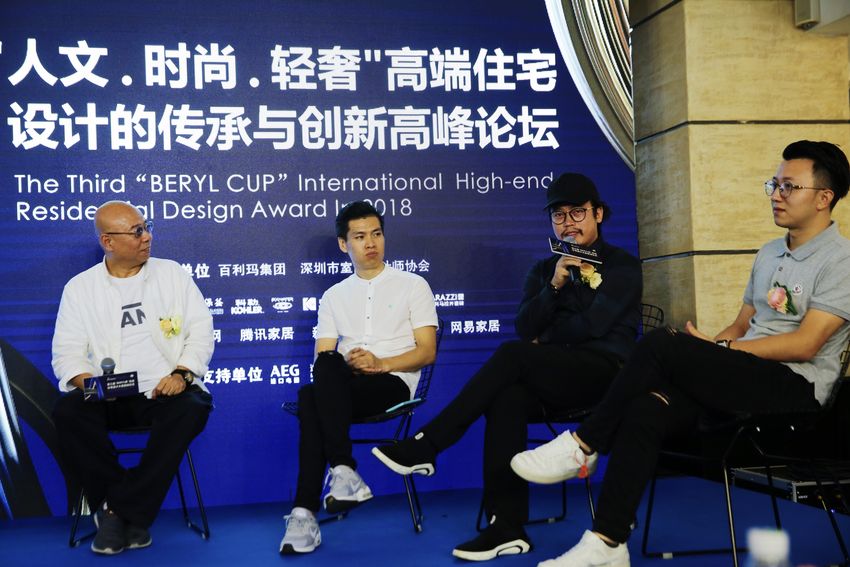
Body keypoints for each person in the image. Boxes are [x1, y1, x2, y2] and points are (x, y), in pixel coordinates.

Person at [510, 140, 850, 567]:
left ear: (823, 197)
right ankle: (607, 543)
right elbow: (741, 325)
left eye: (789, 187)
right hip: (749, 377)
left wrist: (721, 350)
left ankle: (583, 443)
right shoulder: (769, 253)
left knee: (663, 342)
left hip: (797, 391)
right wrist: (715, 350)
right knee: (646, 408)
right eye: (774, 184)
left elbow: (807, 344)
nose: (776, 195)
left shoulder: (841, 260)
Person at [372, 173, 643, 561]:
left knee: (513, 355)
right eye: (559, 216)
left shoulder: (624, 266)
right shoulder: (544, 271)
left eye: (577, 213)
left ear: (598, 213)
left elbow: (595, 326)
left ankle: (429, 444)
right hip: (556, 377)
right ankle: (507, 526)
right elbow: (525, 327)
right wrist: (554, 287)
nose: (568, 223)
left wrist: (546, 338)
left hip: (607, 377)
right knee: (508, 397)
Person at [52, 200, 214, 555]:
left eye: (146, 227)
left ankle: (115, 512)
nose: (147, 237)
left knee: (193, 407)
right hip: (107, 393)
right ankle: (130, 512)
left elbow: (201, 332)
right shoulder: (80, 288)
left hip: (163, 390)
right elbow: (67, 354)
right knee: (67, 412)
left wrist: (182, 372)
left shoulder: (172, 275)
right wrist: (90, 384)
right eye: (137, 231)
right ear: (108, 241)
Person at [280, 201, 438, 555]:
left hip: (393, 383)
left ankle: (307, 511)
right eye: (360, 236)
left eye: (376, 234)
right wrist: (350, 366)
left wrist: (380, 363)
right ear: (344, 244)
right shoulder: (333, 296)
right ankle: (341, 474)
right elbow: (322, 356)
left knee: (310, 400)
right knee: (323, 371)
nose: (371, 243)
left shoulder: (413, 285)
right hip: (346, 385)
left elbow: (427, 352)